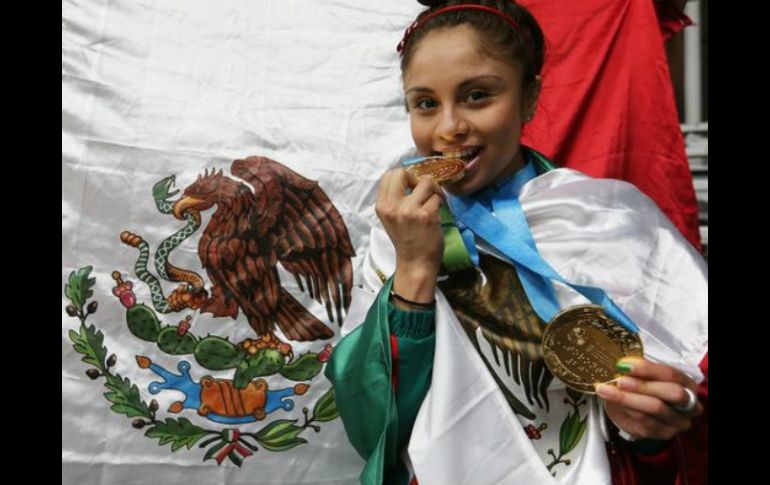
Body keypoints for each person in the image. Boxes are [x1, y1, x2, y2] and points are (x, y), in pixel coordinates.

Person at [325, 2, 708, 484]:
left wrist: (651, 427)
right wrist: (415, 269)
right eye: (425, 103)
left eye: (478, 95)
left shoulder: (609, 218)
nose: (448, 128)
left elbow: (683, 390)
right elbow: (373, 424)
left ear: (530, 98)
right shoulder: (396, 233)